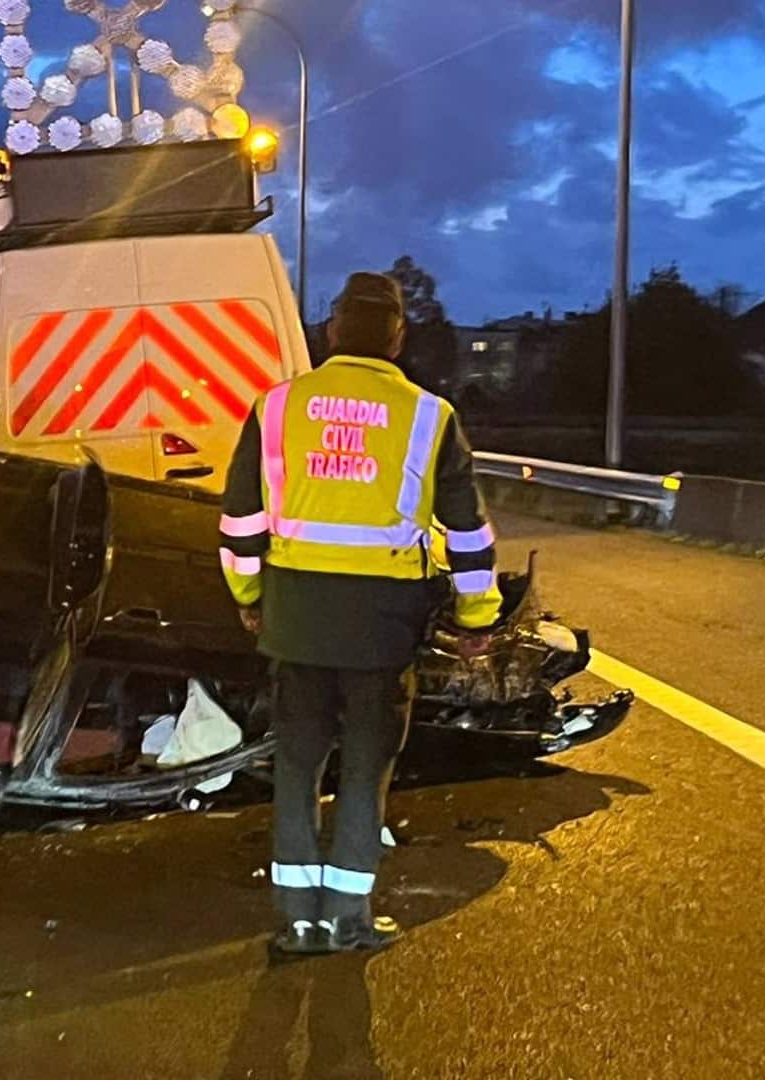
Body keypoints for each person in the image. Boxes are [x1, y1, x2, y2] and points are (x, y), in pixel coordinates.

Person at [218, 272, 501, 958]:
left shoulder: (278, 407)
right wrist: (477, 618)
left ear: (332, 332)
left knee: (297, 765)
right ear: (398, 338)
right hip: (383, 628)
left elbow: (240, 525)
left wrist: (252, 602)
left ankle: (294, 922)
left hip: (297, 618)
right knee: (366, 768)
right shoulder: (431, 417)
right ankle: (347, 918)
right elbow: (467, 533)